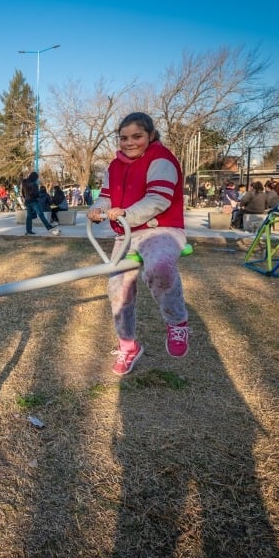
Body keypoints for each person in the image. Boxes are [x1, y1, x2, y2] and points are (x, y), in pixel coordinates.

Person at [86, 112, 189, 376]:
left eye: (137, 136)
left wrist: (125, 215)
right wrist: (98, 209)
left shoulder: (162, 159)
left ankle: (177, 321)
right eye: (123, 138)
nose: (129, 142)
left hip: (161, 230)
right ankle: (128, 344)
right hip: (127, 234)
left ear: (151, 135)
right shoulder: (115, 165)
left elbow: (158, 199)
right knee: (118, 290)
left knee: (160, 268)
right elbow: (107, 196)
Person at [21, 171, 60, 236]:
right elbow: (36, 194)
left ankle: (28, 230)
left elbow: (22, 193)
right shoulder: (34, 184)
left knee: (29, 216)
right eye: (37, 178)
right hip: (34, 201)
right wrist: (38, 195)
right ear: (35, 178)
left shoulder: (24, 182)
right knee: (41, 214)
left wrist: (26, 198)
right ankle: (49, 227)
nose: (37, 179)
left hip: (27, 201)